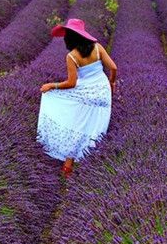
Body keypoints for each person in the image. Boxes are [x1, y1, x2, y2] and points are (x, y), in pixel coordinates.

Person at [36, 18, 117, 178]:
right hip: (102, 93)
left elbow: (71, 83)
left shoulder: (72, 56)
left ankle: (68, 169)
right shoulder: (98, 47)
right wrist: (112, 83)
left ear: (70, 38)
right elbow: (113, 67)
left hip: (85, 93)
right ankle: (91, 168)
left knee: (75, 123)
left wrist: (52, 86)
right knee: (94, 128)